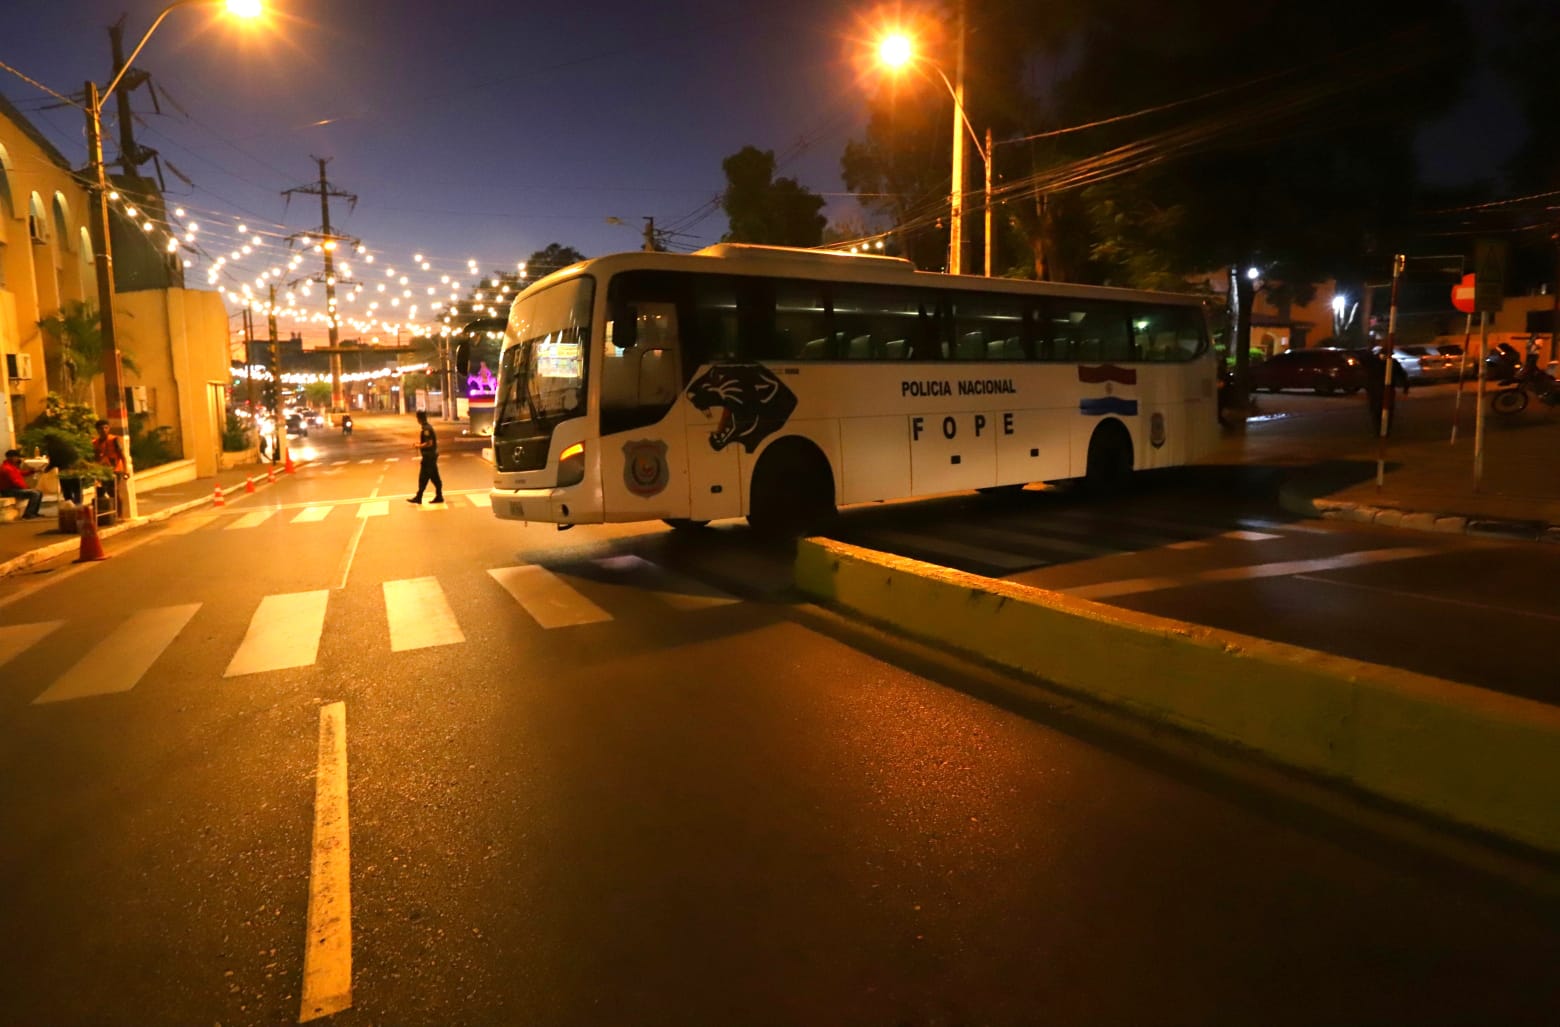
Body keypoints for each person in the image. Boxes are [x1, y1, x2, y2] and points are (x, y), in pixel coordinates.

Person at [1362, 350, 1410, 436]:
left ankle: (1384, 430)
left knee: (1385, 410)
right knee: (1378, 410)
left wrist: (1405, 387)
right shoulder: (1375, 362)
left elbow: (1402, 374)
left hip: (1384, 390)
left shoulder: (1392, 363)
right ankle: (1380, 430)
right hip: (1376, 390)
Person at [407, 409, 443, 504]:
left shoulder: (426, 429)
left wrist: (418, 445)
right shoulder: (427, 427)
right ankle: (439, 496)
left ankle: (419, 497)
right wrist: (420, 444)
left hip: (429, 457)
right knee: (435, 477)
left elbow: (429, 443)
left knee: (423, 477)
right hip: (431, 456)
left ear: (419, 419)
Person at [92, 419, 127, 509]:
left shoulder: (114, 440)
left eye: (105, 428)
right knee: (100, 491)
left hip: (116, 470)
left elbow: (122, 456)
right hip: (103, 471)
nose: (103, 430)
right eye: (101, 428)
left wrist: (126, 471)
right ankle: (107, 513)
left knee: (114, 492)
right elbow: (95, 458)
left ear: (109, 428)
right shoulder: (95, 443)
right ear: (97, 430)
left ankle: (119, 513)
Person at [1, 449, 45, 520]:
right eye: (17, 457)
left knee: (39, 492)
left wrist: (32, 471)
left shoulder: (11, 467)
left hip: (14, 489)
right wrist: (26, 488)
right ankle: (29, 514)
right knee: (35, 493)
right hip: (9, 491)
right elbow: (15, 482)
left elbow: (21, 473)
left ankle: (33, 513)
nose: (18, 459)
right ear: (11, 457)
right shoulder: (7, 468)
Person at [43, 431, 84, 505]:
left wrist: (46, 469)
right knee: (77, 490)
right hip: (74, 469)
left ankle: (70, 506)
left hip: (64, 471)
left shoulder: (52, 447)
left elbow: (54, 461)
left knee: (67, 490)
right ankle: (78, 506)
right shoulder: (65, 445)